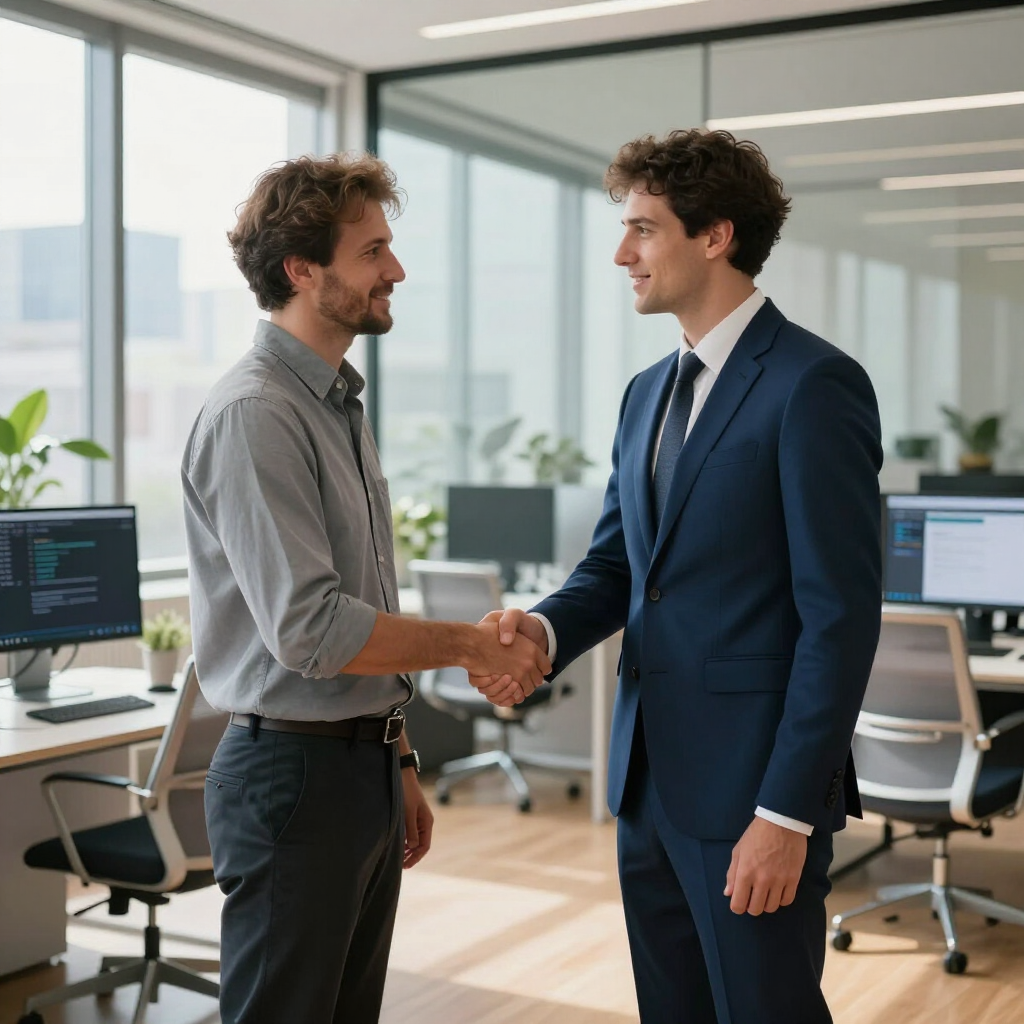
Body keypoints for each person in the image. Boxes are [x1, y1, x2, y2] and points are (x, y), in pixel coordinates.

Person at [485, 129, 883, 1023]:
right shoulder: (644, 392)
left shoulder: (814, 385)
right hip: (646, 783)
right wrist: (542, 634)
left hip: (753, 793)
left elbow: (841, 620)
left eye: (644, 229)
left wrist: (786, 815)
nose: (623, 253)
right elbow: (621, 565)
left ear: (716, 237)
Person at [182, 152, 549, 1024]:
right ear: (303, 272)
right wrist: (468, 646)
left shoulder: (335, 402)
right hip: (291, 777)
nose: (396, 270)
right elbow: (310, 629)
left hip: (356, 765)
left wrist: (400, 758)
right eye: (372, 251)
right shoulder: (257, 413)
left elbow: (357, 599)